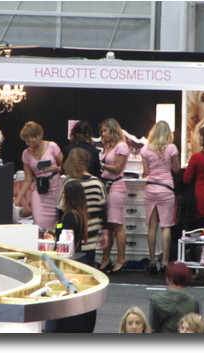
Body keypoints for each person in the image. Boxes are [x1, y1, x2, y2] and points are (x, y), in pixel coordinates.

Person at [44, 180, 97, 333]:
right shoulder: (80, 215)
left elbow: (63, 241)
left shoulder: (69, 217)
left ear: (68, 196)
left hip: (66, 264)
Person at [140, 121, 180, 274]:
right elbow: (176, 168)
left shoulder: (145, 149)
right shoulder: (171, 148)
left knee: (152, 227)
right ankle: (164, 262)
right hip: (166, 189)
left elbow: (146, 171)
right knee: (166, 226)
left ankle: (151, 261)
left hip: (151, 189)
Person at [57, 147, 108, 267]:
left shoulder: (68, 183)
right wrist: (105, 233)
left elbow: (60, 210)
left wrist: (58, 230)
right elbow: (103, 211)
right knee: (89, 267)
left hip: (71, 237)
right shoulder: (97, 183)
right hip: (91, 235)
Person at [14, 121, 63, 231]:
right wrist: (18, 198)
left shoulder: (52, 146)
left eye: (29, 141)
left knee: (57, 224)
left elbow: (66, 167)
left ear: (38, 136)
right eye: (25, 141)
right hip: (39, 191)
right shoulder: (26, 153)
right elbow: (27, 179)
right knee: (39, 222)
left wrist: (55, 169)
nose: (27, 144)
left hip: (56, 189)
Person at [97, 118, 130, 273]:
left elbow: (117, 168)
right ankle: (105, 259)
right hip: (106, 186)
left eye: (105, 131)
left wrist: (101, 164)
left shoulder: (121, 146)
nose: (103, 134)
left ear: (113, 130)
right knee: (107, 225)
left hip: (116, 187)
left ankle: (121, 260)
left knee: (116, 225)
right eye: (102, 131)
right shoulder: (108, 146)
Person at [149, 261, 200, 333]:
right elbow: (197, 328)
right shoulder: (193, 303)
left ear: (168, 279)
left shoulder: (156, 300)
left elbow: (154, 329)